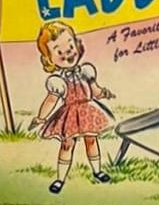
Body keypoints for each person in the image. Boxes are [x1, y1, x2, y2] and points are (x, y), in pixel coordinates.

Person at [32, 21, 114, 190]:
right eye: (59, 52)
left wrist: (103, 93)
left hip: (88, 111)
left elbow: (95, 90)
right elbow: (51, 101)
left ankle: (97, 171)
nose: (67, 53)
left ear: (77, 44)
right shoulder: (58, 81)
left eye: (70, 47)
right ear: (49, 59)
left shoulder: (86, 71)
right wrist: (41, 118)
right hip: (70, 115)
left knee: (91, 140)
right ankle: (60, 179)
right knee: (67, 144)